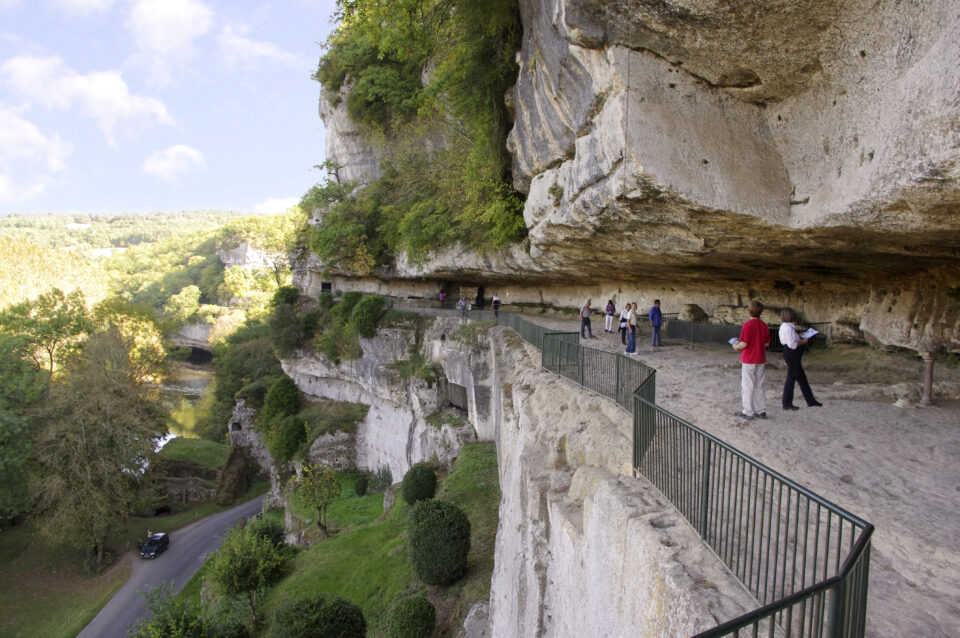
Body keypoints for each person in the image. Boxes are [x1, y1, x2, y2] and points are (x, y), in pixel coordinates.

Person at [778, 307, 823, 410]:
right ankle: (787, 403)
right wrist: (804, 341)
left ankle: (811, 400)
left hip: (790, 353)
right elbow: (792, 345)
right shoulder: (788, 328)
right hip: (792, 354)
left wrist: (800, 335)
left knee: (801, 378)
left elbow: (790, 339)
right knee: (791, 378)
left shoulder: (784, 326)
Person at [732, 300, 770, 420]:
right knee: (760, 385)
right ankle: (761, 411)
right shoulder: (764, 325)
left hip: (748, 359)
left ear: (749, 311)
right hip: (760, 358)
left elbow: (744, 344)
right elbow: (767, 343)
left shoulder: (747, 325)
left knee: (748, 385)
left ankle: (748, 411)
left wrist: (735, 345)